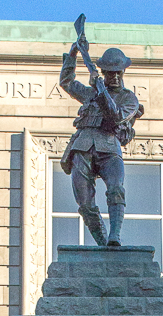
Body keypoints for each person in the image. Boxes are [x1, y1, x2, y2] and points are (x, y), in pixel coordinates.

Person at [59, 43, 142, 247]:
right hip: (83, 147)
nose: (114, 77)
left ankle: (114, 236)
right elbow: (66, 82)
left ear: (123, 72)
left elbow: (115, 117)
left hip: (109, 148)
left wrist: (101, 90)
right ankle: (102, 243)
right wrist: (73, 53)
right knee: (85, 204)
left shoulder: (129, 98)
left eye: (117, 73)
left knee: (115, 188)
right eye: (109, 73)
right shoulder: (90, 94)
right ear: (104, 72)